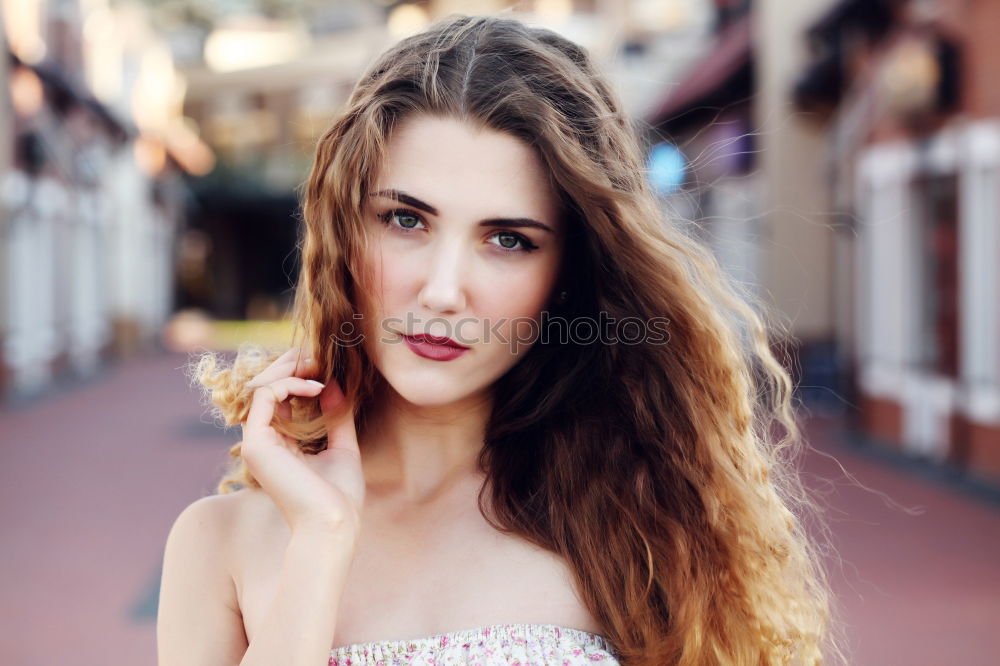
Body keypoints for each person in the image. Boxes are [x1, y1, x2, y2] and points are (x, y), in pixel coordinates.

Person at [156, 12, 846, 666]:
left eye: (508, 239)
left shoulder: (638, 525)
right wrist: (321, 540)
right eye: (406, 220)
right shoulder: (221, 544)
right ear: (344, 232)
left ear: (566, 274)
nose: (444, 290)